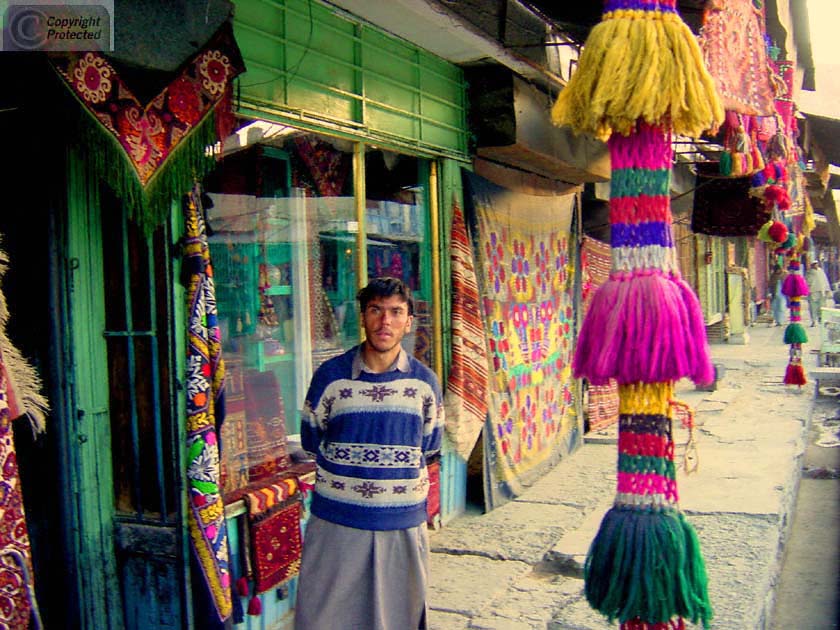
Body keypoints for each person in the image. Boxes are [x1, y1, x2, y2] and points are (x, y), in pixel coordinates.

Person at [294, 277, 444, 630]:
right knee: (323, 618)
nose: (385, 321)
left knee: (397, 619)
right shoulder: (330, 378)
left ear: (409, 322)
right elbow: (310, 438)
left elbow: (431, 445)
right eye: (375, 310)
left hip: (401, 522)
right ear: (363, 317)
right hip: (336, 520)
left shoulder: (425, 384)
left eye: (396, 312)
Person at [805, 260, 832, 326]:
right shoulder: (809, 273)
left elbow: (825, 280)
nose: (815, 265)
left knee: (822, 306)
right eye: (814, 264)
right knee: (813, 307)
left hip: (822, 291)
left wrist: (827, 289)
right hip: (813, 292)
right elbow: (807, 282)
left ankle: (821, 319)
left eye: (816, 264)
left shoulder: (821, 271)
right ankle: (814, 320)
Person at [768, 263, 787, 327]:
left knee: (781, 308)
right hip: (775, 294)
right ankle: (777, 321)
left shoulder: (784, 275)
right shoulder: (773, 276)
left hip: (782, 295)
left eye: (778, 270)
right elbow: (770, 285)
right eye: (776, 270)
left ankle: (781, 321)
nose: (778, 271)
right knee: (775, 308)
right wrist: (769, 293)